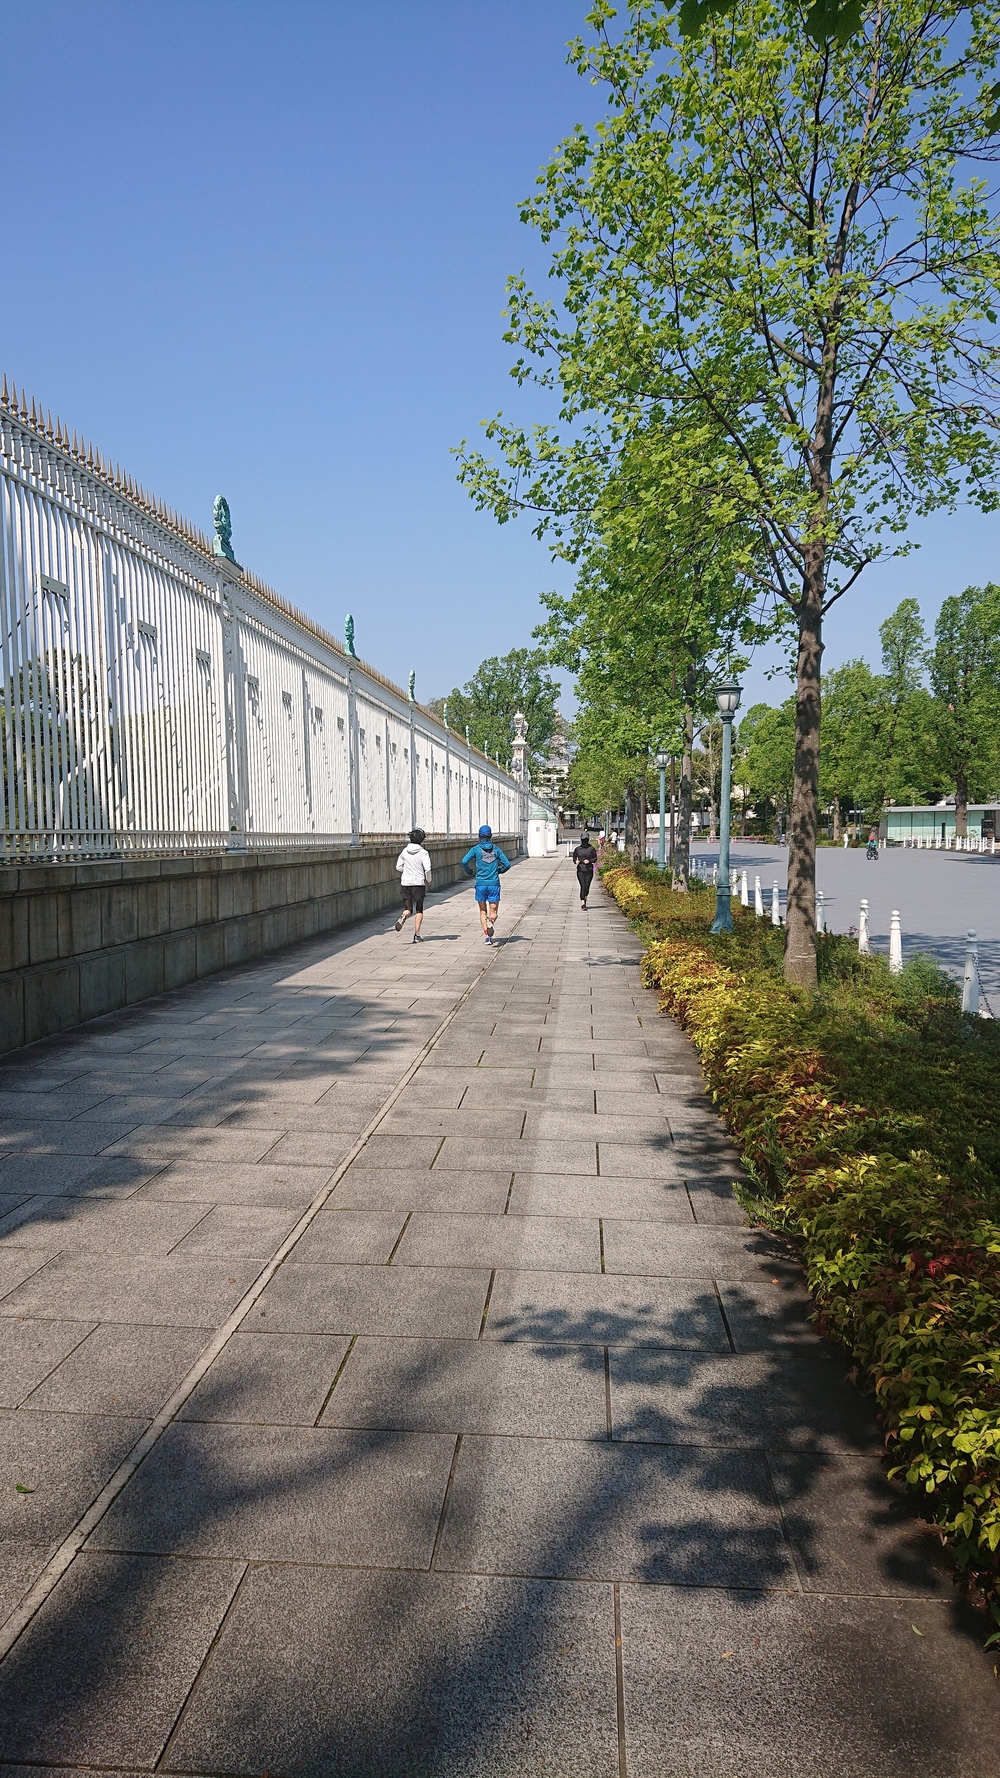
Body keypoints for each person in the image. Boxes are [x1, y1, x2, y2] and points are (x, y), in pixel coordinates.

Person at [461, 824, 511, 943]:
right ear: (491, 836)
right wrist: (499, 871)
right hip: (494, 884)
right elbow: (507, 864)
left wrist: (468, 871)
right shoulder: (496, 850)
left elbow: (464, 861)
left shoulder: (475, 849)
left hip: (481, 884)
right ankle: (491, 921)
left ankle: (487, 937)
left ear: (479, 836)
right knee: (493, 912)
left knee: (483, 911)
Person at [395, 828, 432, 941]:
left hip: (405, 882)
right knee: (419, 909)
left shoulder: (404, 851)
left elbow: (398, 867)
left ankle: (404, 915)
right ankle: (417, 935)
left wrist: (407, 871)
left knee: (408, 908)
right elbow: (427, 869)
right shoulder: (423, 853)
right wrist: (428, 879)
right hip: (418, 883)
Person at [572, 831, 598, 909]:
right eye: (583, 840)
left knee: (587, 887)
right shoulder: (577, 849)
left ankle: (585, 897)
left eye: (586, 840)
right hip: (580, 870)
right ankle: (583, 903)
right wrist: (575, 861)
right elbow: (574, 857)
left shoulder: (591, 849)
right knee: (583, 886)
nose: (585, 841)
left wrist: (589, 861)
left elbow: (595, 858)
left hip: (589, 870)